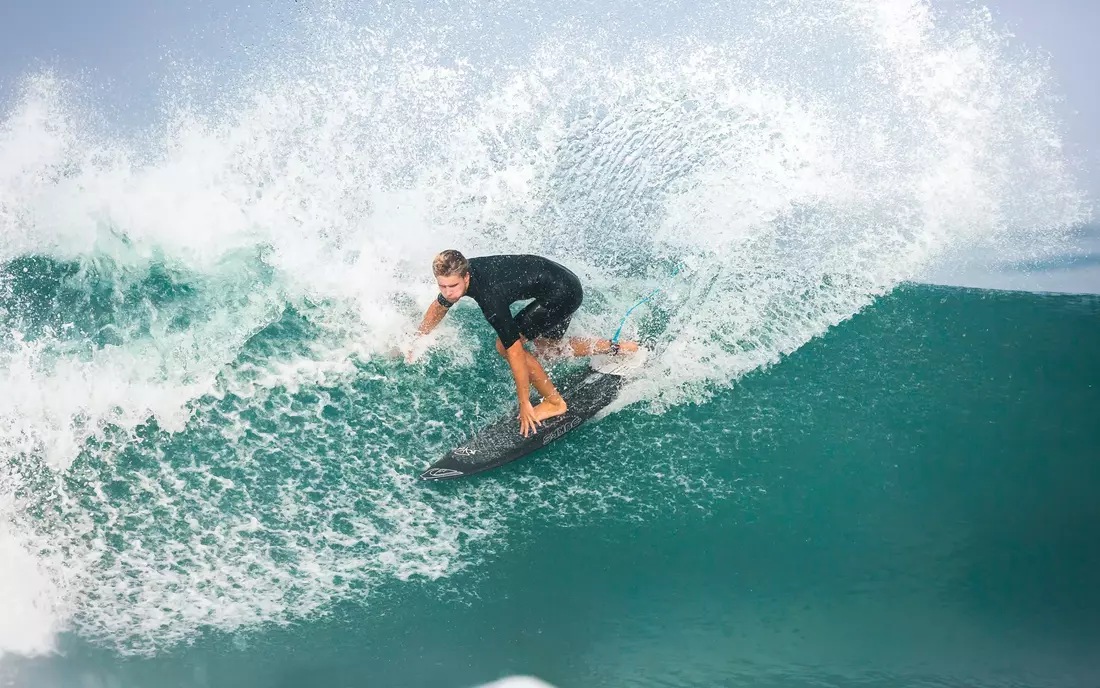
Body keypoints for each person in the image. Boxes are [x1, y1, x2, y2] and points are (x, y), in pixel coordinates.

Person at [410, 250, 637, 437]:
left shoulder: (490, 297)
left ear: (466, 277)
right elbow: (440, 305)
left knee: (504, 346)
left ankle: (554, 402)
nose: (448, 293)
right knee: (548, 350)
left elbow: (515, 353)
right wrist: (419, 337)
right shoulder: (463, 271)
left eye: (453, 286)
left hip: (561, 294)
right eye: (443, 286)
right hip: (563, 280)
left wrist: (524, 401)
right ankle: (620, 348)